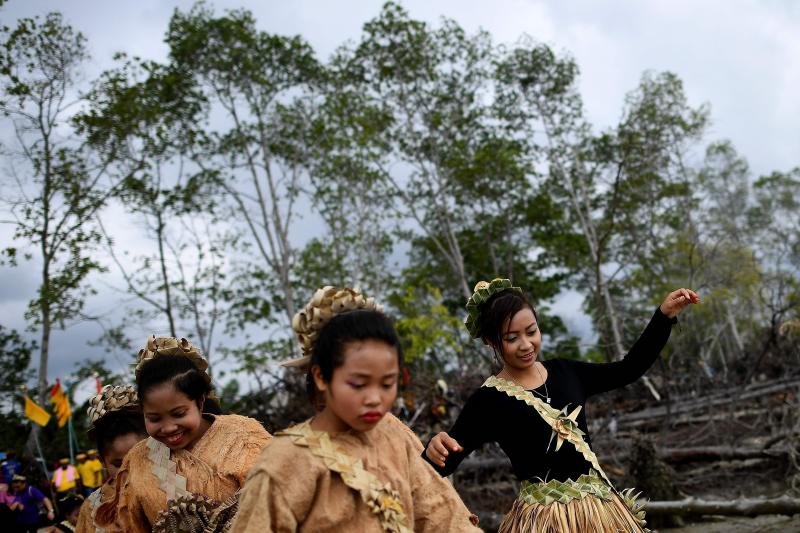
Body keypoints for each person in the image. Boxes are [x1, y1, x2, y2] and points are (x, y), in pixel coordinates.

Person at [423, 279, 699, 532]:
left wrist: (663, 317)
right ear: (490, 341)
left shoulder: (567, 373)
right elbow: (436, 467)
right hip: (542, 522)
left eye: (531, 331)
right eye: (511, 338)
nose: (526, 344)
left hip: (600, 515)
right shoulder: (488, 401)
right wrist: (432, 448)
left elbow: (628, 369)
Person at [230, 286, 481, 532]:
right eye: (359, 384)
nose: (375, 399)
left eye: (387, 384)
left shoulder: (394, 438)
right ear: (321, 377)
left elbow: (441, 515)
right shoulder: (285, 462)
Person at [104, 336, 272, 533]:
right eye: (154, 418)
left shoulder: (243, 436)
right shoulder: (137, 460)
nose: (168, 428)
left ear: (200, 402)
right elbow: (132, 525)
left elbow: (277, 502)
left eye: (179, 414)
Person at [75, 384, 147, 533]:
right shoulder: (91, 509)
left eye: (139, 458)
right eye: (118, 464)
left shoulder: (175, 484)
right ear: (101, 461)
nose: (130, 471)